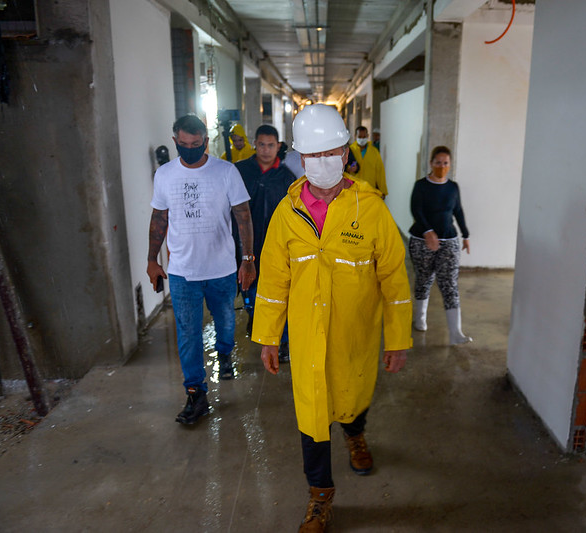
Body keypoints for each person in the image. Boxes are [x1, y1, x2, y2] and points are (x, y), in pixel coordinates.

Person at [252, 104, 412, 532]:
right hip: (306, 339)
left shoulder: (371, 210)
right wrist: (267, 336)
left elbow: (394, 278)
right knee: (312, 414)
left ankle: (355, 432)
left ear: (346, 152)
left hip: (355, 333)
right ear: (300, 158)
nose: (323, 163)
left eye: (332, 153)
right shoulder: (286, 216)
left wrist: (398, 339)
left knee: (353, 395)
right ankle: (320, 495)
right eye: (313, 155)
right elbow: (272, 280)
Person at [147, 114, 256, 425]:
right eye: (184, 144)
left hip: (221, 269)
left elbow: (243, 215)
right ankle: (196, 393)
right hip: (182, 271)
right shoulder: (165, 175)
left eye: (196, 144)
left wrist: (247, 260)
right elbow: (159, 218)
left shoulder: (226, 171)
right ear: (175, 142)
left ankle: (224, 353)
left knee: (224, 322)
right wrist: (152, 259)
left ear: (206, 142)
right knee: (188, 333)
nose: (190, 149)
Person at [233, 124, 297, 361]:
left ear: (278, 146)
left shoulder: (287, 177)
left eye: (271, 145)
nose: (266, 150)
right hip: (246, 246)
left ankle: (282, 342)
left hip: (277, 247)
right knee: (249, 292)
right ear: (255, 144)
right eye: (262, 144)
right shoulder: (241, 171)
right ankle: (255, 318)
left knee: (281, 293)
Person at [408, 145, 472, 345]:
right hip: (421, 241)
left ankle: (456, 333)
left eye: (445, 163)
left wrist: (465, 234)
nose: (442, 167)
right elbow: (416, 210)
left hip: (449, 241)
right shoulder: (421, 186)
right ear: (431, 163)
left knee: (450, 285)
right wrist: (428, 231)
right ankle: (420, 319)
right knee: (424, 279)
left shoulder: (453, 187)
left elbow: (458, 211)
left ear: (450, 165)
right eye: (438, 163)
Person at [348, 126, 388, 197]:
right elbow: (344, 167)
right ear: (355, 136)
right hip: (354, 190)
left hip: (370, 190)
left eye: (364, 136)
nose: (362, 139)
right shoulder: (350, 151)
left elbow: (380, 171)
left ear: (368, 136)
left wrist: (382, 190)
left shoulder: (374, 152)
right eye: (360, 137)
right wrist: (349, 168)